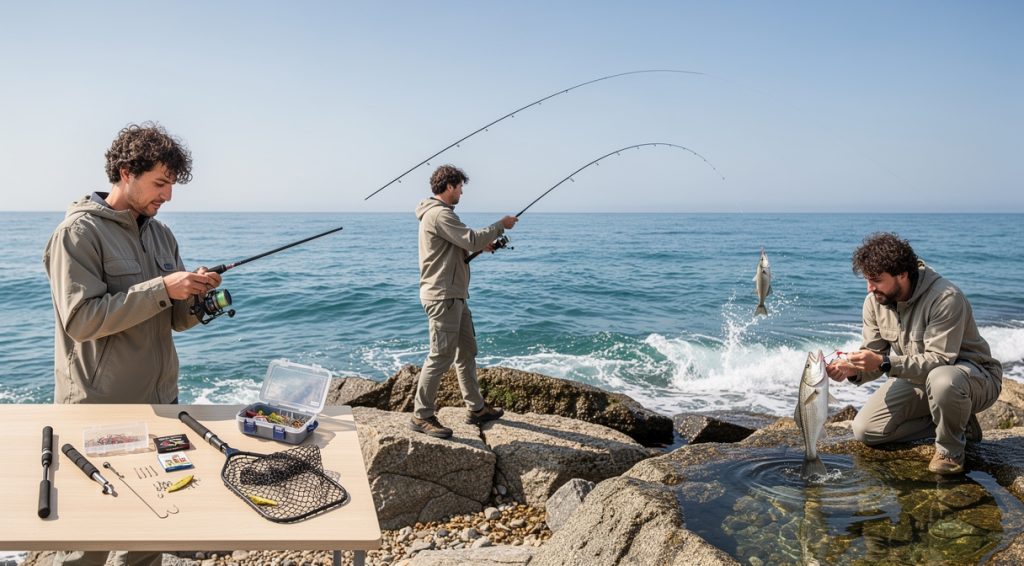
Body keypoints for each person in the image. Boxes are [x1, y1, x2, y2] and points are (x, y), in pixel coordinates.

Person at [43, 122, 221, 566]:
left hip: (161, 402)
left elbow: (175, 321)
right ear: (126, 172)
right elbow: (81, 320)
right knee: (91, 540)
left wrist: (195, 296)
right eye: (160, 183)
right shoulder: (78, 233)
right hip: (100, 408)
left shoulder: (161, 234)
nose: (168, 195)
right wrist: (163, 286)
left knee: (150, 528)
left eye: (172, 184)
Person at [826, 232, 1002, 475]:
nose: (870, 288)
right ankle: (959, 425)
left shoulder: (945, 298)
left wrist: (884, 362)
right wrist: (853, 369)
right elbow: (875, 355)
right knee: (866, 430)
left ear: (902, 274)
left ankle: (950, 451)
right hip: (920, 377)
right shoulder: (874, 302)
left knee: (942, 380)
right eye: (867, 280)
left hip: (974, 377)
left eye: (876, 280)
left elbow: (940, 360)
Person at [410, 164, 517, 438]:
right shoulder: (439, 214)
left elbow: (461, 246)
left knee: (467, 351)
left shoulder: (441, 216)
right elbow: (469, 238)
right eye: (459, 188)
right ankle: (421, 416)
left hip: (455, 295)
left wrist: (482, 246)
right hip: (443, 296)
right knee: (440, 356)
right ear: (449, 187)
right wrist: (499, 226)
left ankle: (476, 408)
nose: (461, 193)